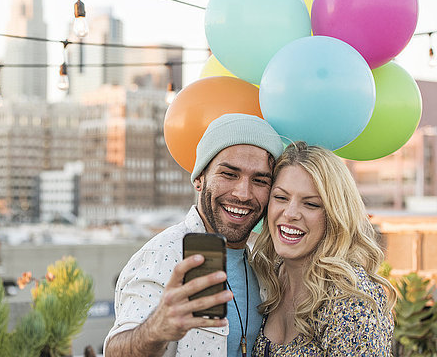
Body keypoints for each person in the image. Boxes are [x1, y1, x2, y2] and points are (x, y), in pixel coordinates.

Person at [104, 113, 284, 357]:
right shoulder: (163, 254)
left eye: (260, 180)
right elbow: (116, 351)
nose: (243, 193)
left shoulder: (263, 264)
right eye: (229, 174)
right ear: (199, 178)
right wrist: (158, 328)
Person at [250, 141, 396, 356]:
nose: (290, 213)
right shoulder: (268, 277)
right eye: (281, 197)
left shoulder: (351, 301)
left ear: (334, 215)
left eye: (311, 204)